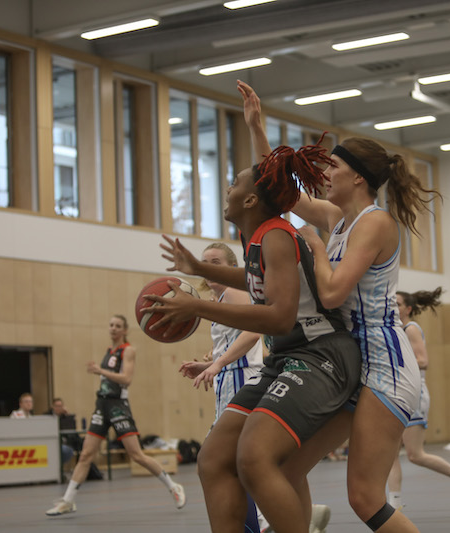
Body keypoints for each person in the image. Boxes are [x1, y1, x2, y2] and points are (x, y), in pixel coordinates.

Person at [239, 80, 440, 533]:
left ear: (358, 178)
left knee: (365, 497)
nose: (324, 174)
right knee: (287, 468)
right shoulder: (339, 219)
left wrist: (312, 245)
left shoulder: (375, 223)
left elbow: (331, 294)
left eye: (333, 167)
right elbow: (282, 193)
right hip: (350, 361)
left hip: (385, 363)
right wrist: (256, 128)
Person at [147, 137, 362, 533]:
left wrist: (197, 306)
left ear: (250, 200)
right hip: (287, 358)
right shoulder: (258, 236)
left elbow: (279, 318)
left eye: (234, 183)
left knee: (254, 457)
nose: (228, 189)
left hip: (321, 356)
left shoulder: (277, 235)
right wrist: (200, 268)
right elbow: (252, 278)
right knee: (213, 458)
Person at [45, 315, 186, 516]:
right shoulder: (108, 351)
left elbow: (126, 379)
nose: (113, 328)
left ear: (125, 330)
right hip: (102, 405)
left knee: (136, 455)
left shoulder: (127, 350)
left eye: (118, 326)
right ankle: (68, 501)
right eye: (111, 325)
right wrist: (100, 372)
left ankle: (173, 487)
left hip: (118, 406)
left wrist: (100, 371)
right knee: (85, 455)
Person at [386, 290, 450, 512]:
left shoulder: (410, 329)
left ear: (408, 309)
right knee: (390, 454)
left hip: (414, 393)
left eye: (398, 304)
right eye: (391, 303)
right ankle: (394, 506)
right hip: (397, 394)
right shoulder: (394, 331)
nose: (393, 307)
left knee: (415, 455)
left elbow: (423, 361)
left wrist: (393, 363)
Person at [178, 242, 264, 420]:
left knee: (226, 436)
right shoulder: (219, 299)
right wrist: (209, 365)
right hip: (231, 375)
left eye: (216, 263)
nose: (210, 268)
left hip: (240, 376)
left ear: (233, 267)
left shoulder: (233, 292)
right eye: (205, 263)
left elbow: (253, 333)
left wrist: (218, 364)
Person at [45, 398, 81, 471]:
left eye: (60, 406)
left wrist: (67, 416)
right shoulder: (46, 416)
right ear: (52, 406)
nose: (59, 408)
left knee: (67, 450)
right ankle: (56, 470)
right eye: (57, 406)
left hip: (65, 442)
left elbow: (71, 431)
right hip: (50, 443)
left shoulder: (66, 417)